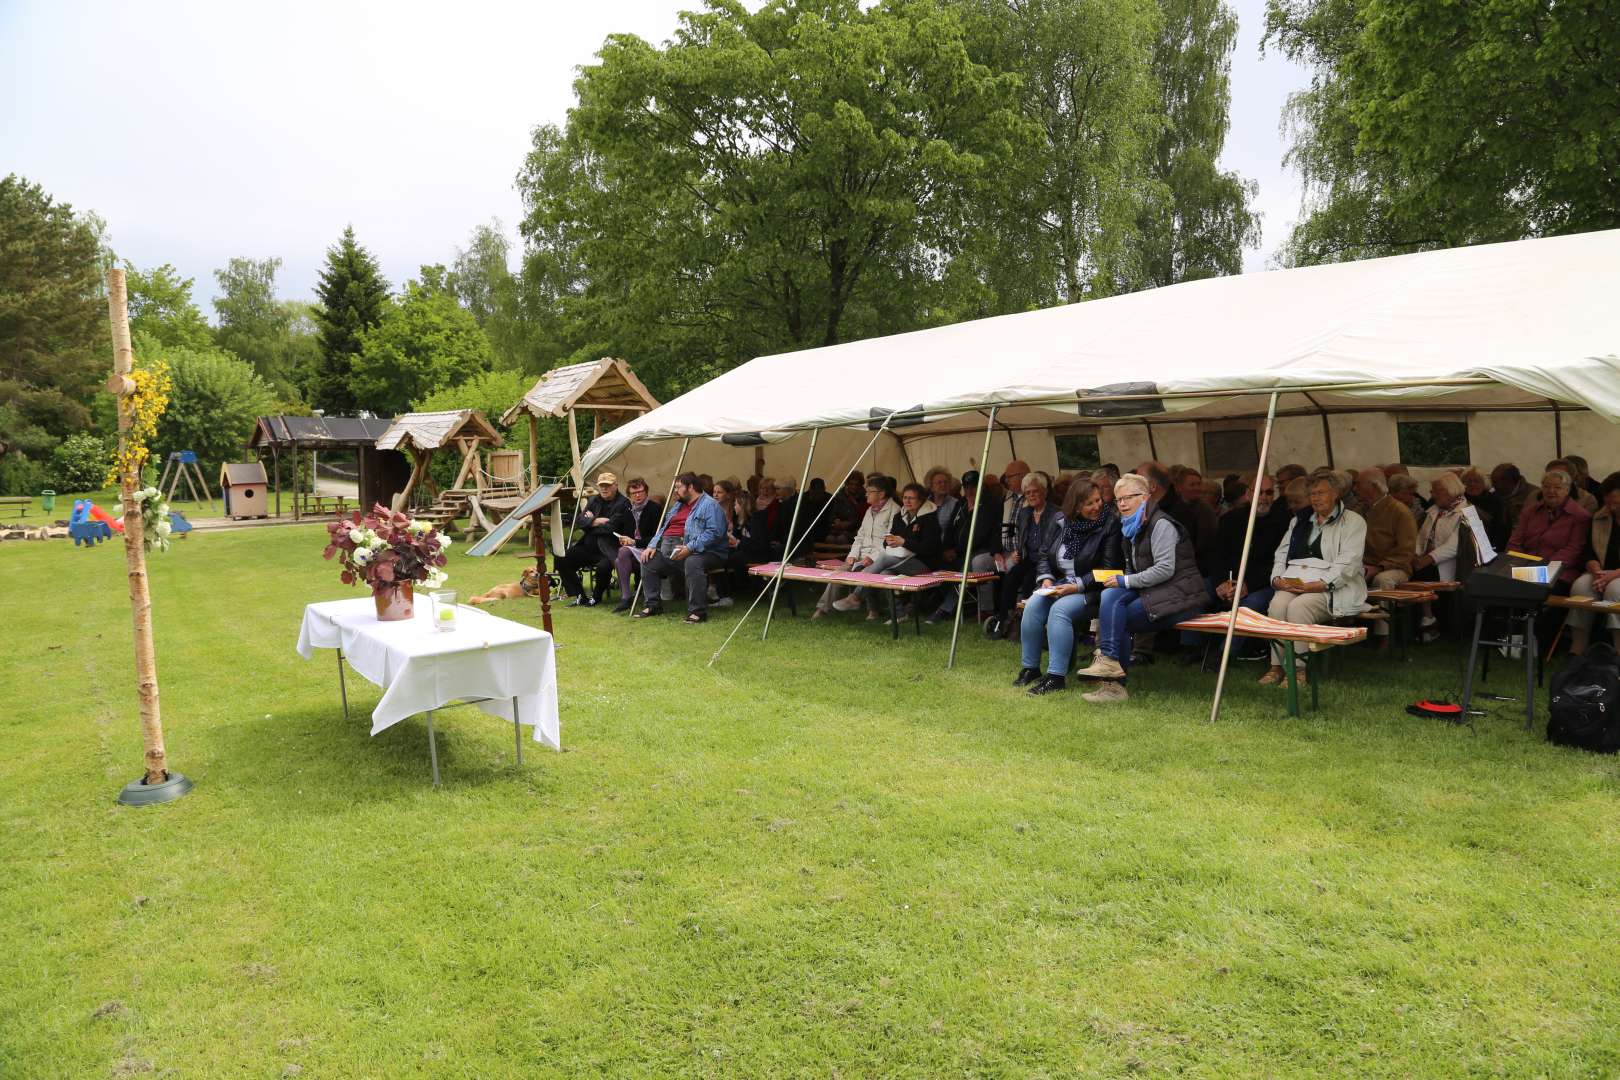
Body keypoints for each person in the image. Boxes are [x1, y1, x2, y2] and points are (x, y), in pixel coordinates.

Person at [1075, 473, 1208, 703]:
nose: (1123, 504)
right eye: (1118, 499)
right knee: (1110, 593)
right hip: (1156, 591)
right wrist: (1121, 581)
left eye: (1129, 497)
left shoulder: (1162, 524)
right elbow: (1134, 571)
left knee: (1121, 616)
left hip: (1182, 595)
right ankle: (1109, 664)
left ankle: (1113, 685)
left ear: (1145, 497)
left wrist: (1125, 581)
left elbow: (1164, 570)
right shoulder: (1131, 526)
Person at [1014, 476, 1122, 695]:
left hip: (1095, 588)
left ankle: (1056, 677)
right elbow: (1044, 553)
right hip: (1061, 584)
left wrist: (1078, 585)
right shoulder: (1060, 521)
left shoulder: (1110, 524)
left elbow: (1110, 568)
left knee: (1059, 611)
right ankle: (1030, 668)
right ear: (1075, 505)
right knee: (1034, 604)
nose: (1096, 506)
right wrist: (1046, 578)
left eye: (1098, 500)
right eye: (1089, 503)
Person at [1261, 469, 1368, 686]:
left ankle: (1299, 670)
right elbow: (1281, 553)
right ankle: (1277, 666)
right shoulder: (1299, 521)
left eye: (1321, 493)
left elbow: (1349, 563)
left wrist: (1321, 584)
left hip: (1334, 587)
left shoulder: (1353, 522)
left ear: (1336, 493)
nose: (1316, 498)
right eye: (1312, 494)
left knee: (1299, 607)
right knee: (1277, 604)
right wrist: (1277, 579)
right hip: (1296, 581)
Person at [1211, 471, 1291, 661]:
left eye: (1269, 493)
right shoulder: (1230, 520)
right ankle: (1190, 646)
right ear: (1248, 494)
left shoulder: (1284, 523)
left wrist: (1248, 585)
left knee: (1250, 604)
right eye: (1259, 492)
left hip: (1263, 583)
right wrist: (1222, 582)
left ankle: (1225, 654)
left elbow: (1279, 563)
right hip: (1229, 579)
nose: (1264, 498)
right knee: (1197, 592)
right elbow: (1216, 555)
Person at [834, 483, 941, 622]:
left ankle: (855, 597)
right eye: (905, 497)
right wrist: (890, 541)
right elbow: (887, 540)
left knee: (884, 559)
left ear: (921, 500)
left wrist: (903, 542)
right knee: (885, 574)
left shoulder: (930, 519)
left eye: (912, 498)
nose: (907, 501)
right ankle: (899, 614)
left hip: (924, 564)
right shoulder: (899, 516)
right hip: (899, 560)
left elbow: (930, 548)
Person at [634, 472, 730, 623]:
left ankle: (697, 611)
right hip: (675, 550)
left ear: (690, 487)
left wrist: (690, 547)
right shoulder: (678, 505)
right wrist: (652, 545)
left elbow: (714, 533)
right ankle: (653, 605)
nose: (675, 491)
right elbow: (664, 527)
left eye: (678, 487)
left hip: (709, 552)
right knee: (648, 560)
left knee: (692, 562)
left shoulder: (709, 505)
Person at [989, 471, 1064, 637]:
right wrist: (1018, 553)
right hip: (1029, 558)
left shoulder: (1056, 513)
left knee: (1030, 580)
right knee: (1010, 578)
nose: (1031, 495)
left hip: (1047, 562)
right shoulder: (1025, 514)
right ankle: (1004, 621)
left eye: (1035, 491)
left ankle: (1026, 623)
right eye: (1028, 492)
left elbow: (1057, 544)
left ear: (1044, 491)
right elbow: (1023, 539)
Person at [814, 477, 899, 620]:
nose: (866, 494)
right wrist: (852, 555)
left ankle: (872, 610)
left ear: (882, 494)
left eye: (869, 491)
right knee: (837, 574)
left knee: (867, 573)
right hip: (860, 557)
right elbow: (860, 536)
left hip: (880, 558)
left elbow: (888, 542)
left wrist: (871, 558)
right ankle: (822, 609)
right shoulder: (869, 510)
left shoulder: (895, 511)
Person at [928, 473, 1005, 625]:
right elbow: (951, 527)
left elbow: (981, 534)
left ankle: (949, 609)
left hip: (981, 550)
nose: (969, 490)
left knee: (969, 565)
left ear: (981, 486)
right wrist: (946, 549)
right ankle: (951, 604)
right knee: (939, 564)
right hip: (959, 550)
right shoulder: (962, 502)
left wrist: (956, 551)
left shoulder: (990, 503)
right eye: (966, 487)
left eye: (973, 487)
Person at [556, 471, 634, 606]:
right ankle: (580, 595)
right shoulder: (594, 500)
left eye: (607, 485)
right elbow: (580, 521)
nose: (604, 488)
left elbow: (610, 529)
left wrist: (590, 522)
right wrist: (597, 521)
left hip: (609, 548)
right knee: (561, 558)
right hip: (588, 547)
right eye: (601, 485)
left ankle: (596, 597)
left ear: (615, 486)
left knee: (603, 567)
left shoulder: (623, 503)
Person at [1565, 472, 1620, 656]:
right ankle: (1578, 649)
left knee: (1615, 591)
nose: (1612, 507)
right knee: (1580, 587)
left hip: (1615, 577)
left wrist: (1612, 575)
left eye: (1617, 502)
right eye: (1608, 501)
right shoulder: (1599, 517)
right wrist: (1596, 571)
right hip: (1602, 573)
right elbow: (1588, 552)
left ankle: (1617, 651)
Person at [1507, 469, 1591, 586]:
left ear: (1567, 490)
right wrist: (1520, 563)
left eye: (1557, 488)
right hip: (1523, 567)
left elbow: (1573, 550)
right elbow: (1514, 542)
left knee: (1527, 588)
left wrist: (1543, 566)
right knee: (1498, 584)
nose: (1551, 491)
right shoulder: (1530, 511)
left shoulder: (1580, 516)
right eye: (1546, 487)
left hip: (1559, 572)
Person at [1356, 467, 1418, 601]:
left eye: (1358, 484)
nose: (1355, 489)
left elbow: (1405, 551)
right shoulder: (1359, 510)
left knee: (1382, 580)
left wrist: (1379, 567)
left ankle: (1384, 620)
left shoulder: (1400, 512)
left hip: (1396, 567)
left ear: (1372, 487)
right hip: (1364, 565)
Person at [611, 477, 663, 613]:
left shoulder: (655, 509)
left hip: (650, 549)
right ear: (629, 495)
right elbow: (623, 532)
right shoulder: (628, 510)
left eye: (640, 491)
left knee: (620, 556)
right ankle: (626, 597)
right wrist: (623, 539)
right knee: (621, 554)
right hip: (633, 550)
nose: (638, 495)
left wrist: (634, 542)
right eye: (634, 493)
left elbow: (657, 537)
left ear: (646, 492)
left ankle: (626, 598)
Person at [1462, 467, 1510, 551]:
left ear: (1484, 483)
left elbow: (1501, 530)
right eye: (1469, 481)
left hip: (1488, 547)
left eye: (1476, 481)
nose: (1472, 484)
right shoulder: (1459, 500)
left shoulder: (1496, 502)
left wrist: (1493, 549)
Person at [925, 466, 961, 547]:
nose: (943, 485)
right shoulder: (924, 504)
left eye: (946, 482)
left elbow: (956, 531)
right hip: (925, 547)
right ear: (931, 487)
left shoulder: (956, 504)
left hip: (945, 548)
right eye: (939, 482)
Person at [1491, 463, 1532, 530]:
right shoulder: (1495, 495)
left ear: (1509, 482)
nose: (1492, 485)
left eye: (1495, 482)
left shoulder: (1534, 496)